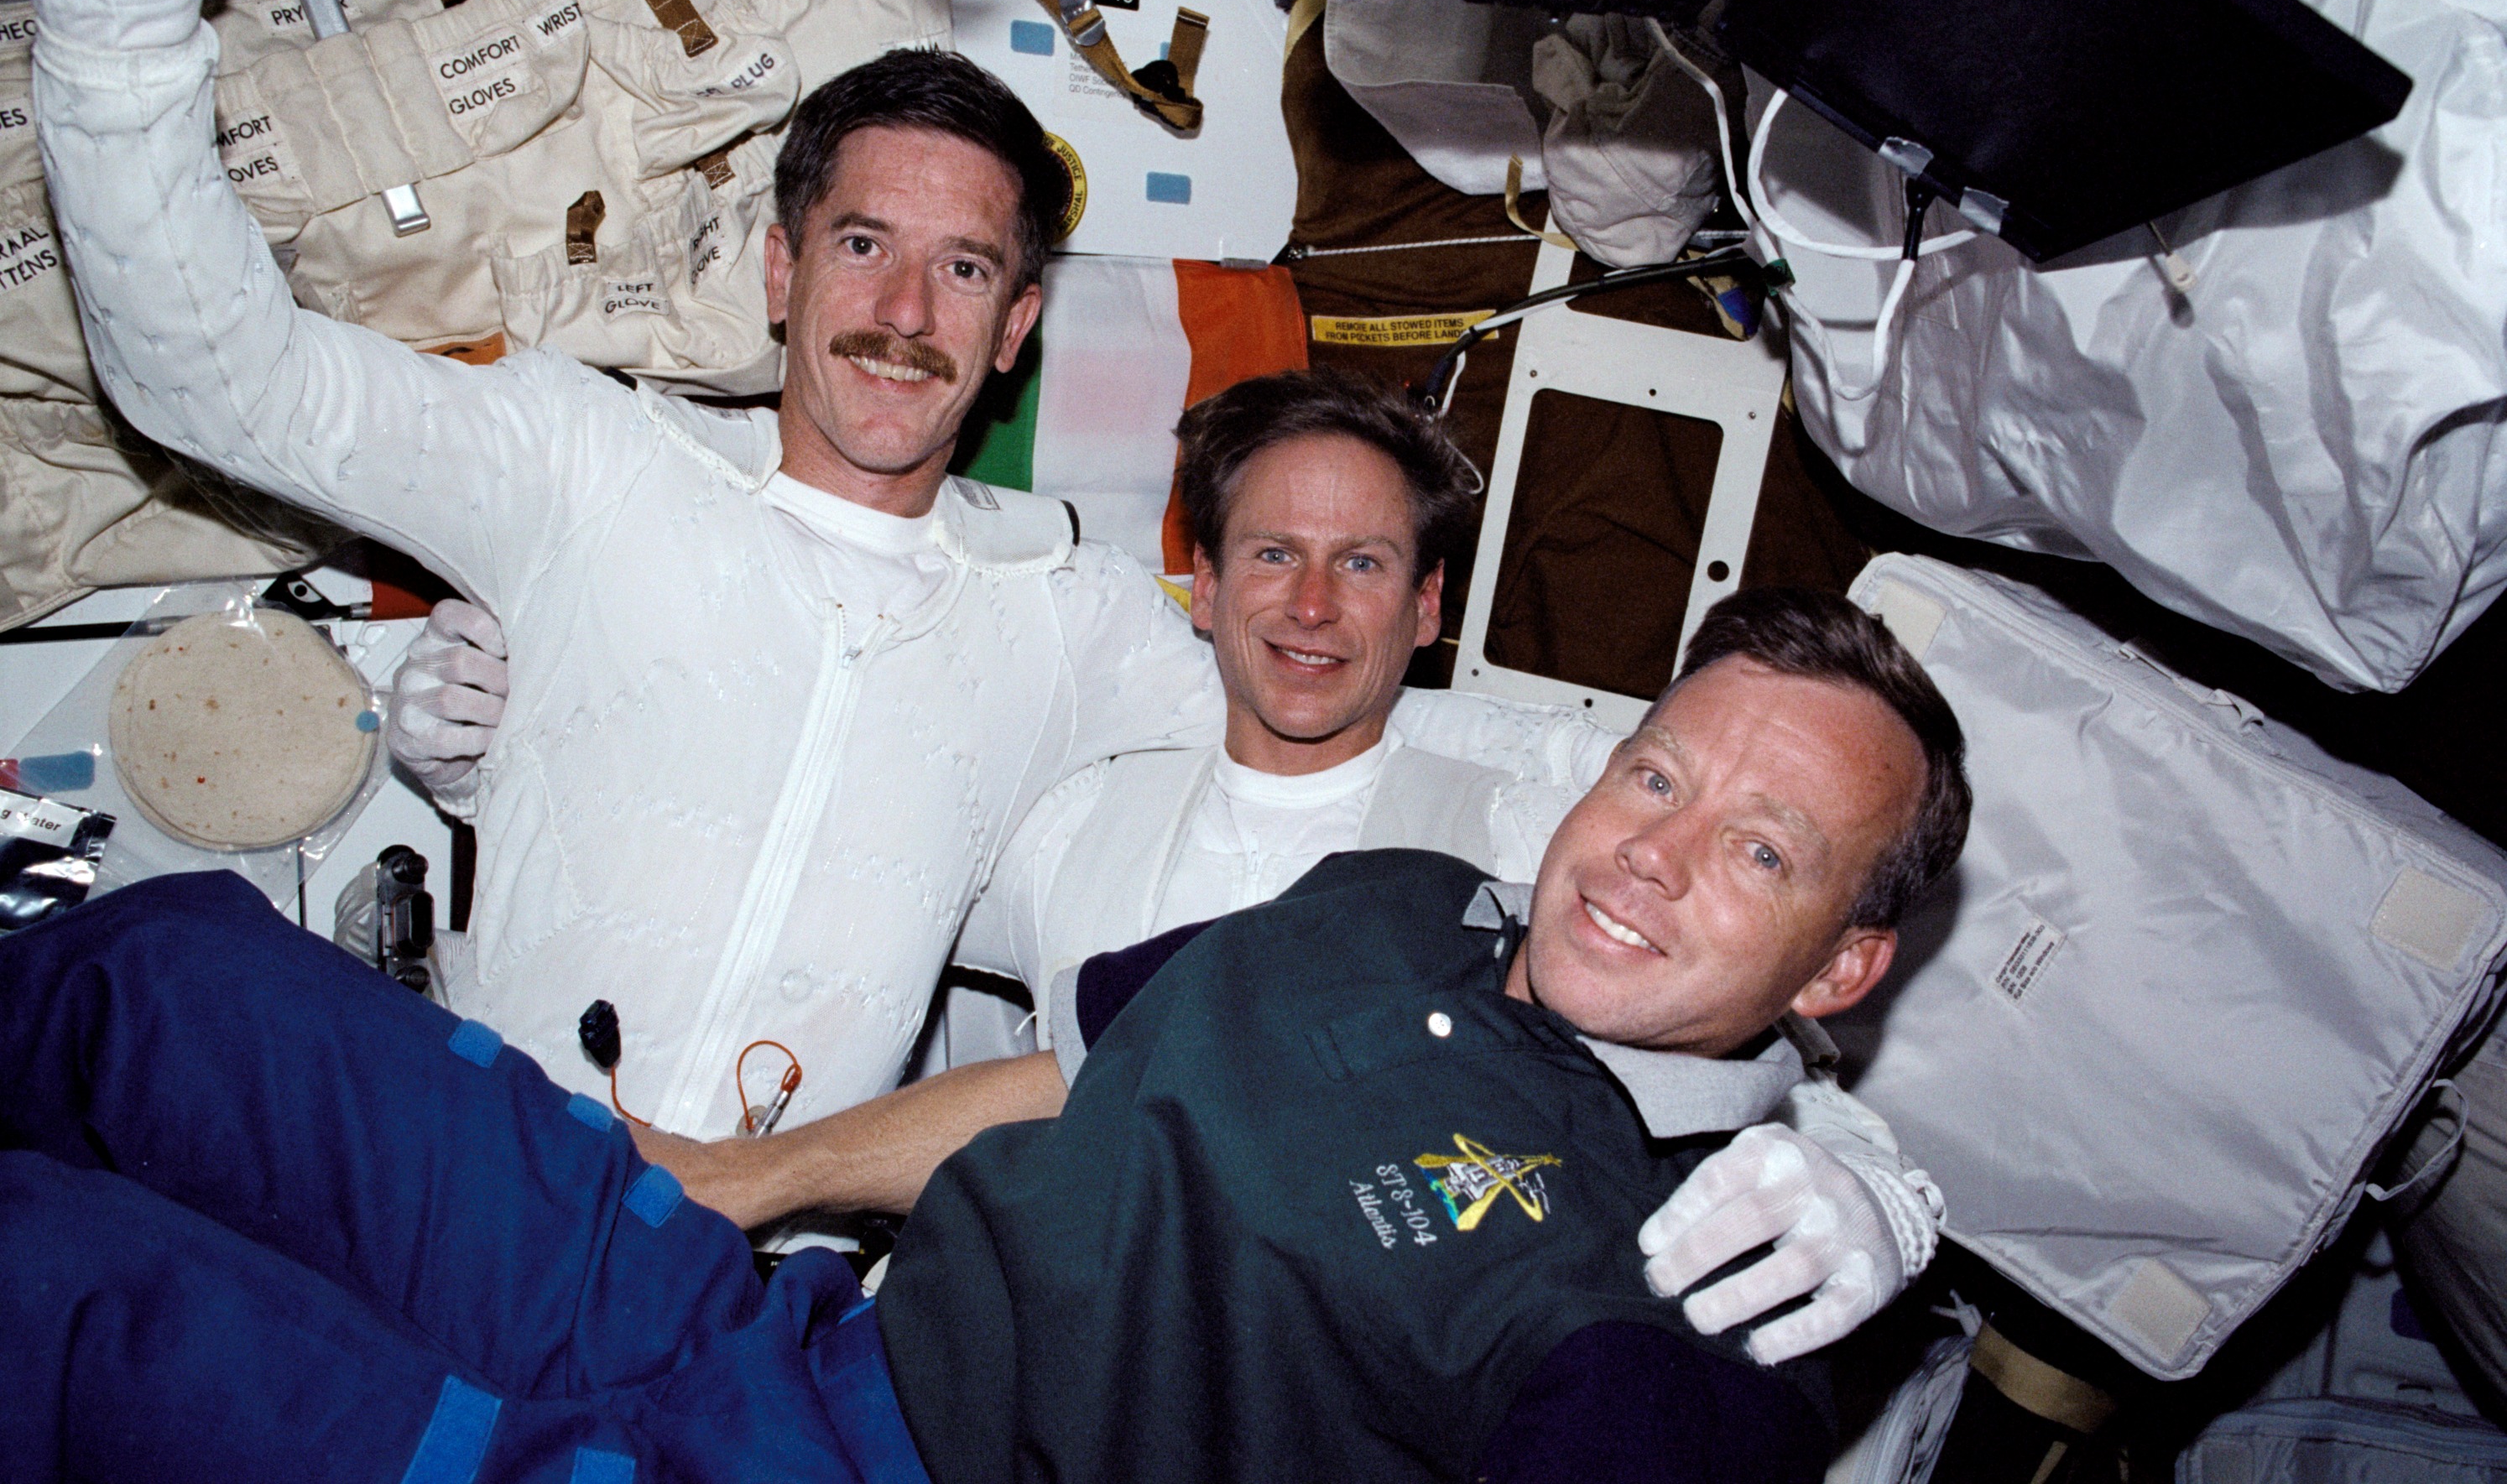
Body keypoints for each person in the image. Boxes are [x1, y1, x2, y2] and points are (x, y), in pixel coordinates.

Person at [15, 0, 1608, 1138]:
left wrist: (1698, 812)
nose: (907, 317)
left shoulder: (1068, 618)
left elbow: (1354, 723)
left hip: (754, 1298)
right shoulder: (588, 461)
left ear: (1017, 330)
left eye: (965, 270)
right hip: (469, 1189)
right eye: (865, 248)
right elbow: (215, 376)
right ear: (781, 271)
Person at [0, 586, 1972, 1484]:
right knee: (179, 979)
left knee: (69, 1296)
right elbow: (1079, 1074)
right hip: (772, 1319)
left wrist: (1892, 1189)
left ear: (1839, 967)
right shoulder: (1397, 903)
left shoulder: (1718, 1264)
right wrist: (738, 1176)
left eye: (1765, 850)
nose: (1654, 855)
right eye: (1654, 773)